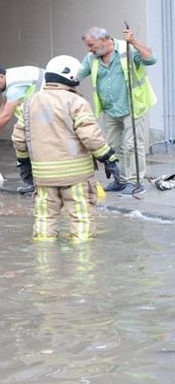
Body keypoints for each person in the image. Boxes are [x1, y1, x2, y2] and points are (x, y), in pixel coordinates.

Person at [12, 55, 120, 242]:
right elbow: (90, 136)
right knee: (81, 220)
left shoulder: (29, 103)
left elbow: (19, 139)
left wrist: (24, 163)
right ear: (71, 77)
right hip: (76, 176)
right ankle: (82, 264)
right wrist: (108, 158)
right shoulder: (76, 102)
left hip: (43, 176)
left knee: (44, 220)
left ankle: (44, 263)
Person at [78, 26, 158, 195]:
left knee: (132, 146)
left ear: (102, 41)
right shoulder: (91, 58)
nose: (89, 49)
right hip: (110, 109)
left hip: (132, 106)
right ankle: (120, 180)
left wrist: (134, 41)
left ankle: (135, 182)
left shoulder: (125, 49)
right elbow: (77, 77)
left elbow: (151, 60)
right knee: (113, 147)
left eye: (91, 45)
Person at [0, 64, 45, 194]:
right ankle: (32, 183)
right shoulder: (7, 79)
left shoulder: (15, 85)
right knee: (20, 142)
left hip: (43, 112)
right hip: (35, 111)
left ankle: (38, 183)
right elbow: (4, 103)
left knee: (30, 145)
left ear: (1, 76)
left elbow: (6, 116)